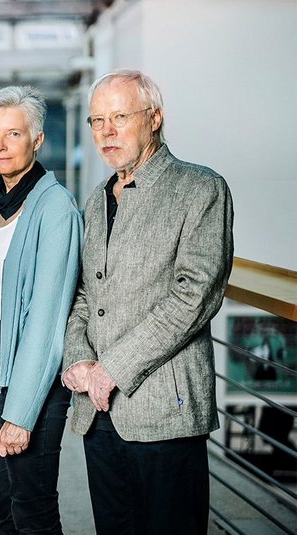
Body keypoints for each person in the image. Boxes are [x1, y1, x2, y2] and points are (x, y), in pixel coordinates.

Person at [62, 69, 234, 534]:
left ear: (154, 118)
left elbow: (193, 297)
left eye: (120, 117)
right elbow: (83, 292)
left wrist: (112, 369)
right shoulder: (96, 199)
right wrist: (78, 357)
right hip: (98, 412)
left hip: (166, 411)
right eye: (97, 121)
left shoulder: (201, 189)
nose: (106, 132)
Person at [0, 86, 82, 534]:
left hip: (26, 369)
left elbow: (47, 322)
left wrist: (22, 412)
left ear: (38, 139)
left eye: (13, 134)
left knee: (33, 507)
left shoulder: (56, 208)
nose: (1, 145)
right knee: (1, 505)